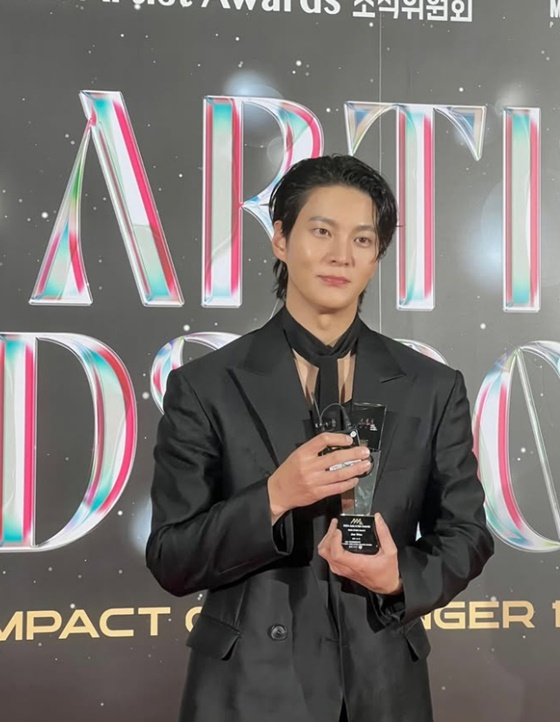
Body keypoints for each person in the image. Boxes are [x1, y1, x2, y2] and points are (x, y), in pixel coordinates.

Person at [146, 154, 494, 722]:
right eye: (322, 231)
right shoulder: (206, 386)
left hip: (382, 687)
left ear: (377, 255)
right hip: (247, 690)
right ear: (281, 239)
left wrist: (398, 577)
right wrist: (275, 496)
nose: (341, 255)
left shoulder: (431, 386)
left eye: (363, 239)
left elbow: (467, 533)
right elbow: (171, 557)